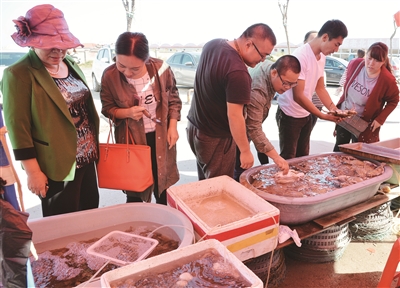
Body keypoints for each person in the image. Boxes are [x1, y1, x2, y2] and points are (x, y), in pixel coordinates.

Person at [0, 4, 100, 217]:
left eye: (62, 45)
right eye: (50, 45)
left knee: (90, 216)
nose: (58, 51)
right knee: (63, 227)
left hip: (87, 157)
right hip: (55, 165)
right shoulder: (18, 73)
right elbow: (18, 128)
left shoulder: (70, 62)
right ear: (33, 43)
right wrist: (33, 172)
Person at [187, 23, 276, 180]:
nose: (262, 61)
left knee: (205, 182)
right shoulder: (238, 73)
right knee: (219, 188)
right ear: (248, 44)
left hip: (194, 128)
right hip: (215, 138)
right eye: (262, 55)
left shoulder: (213, 44)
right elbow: (235, 116)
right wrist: (245, 150)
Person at [100, 32, 181, 205]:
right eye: (121, 65)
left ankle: (163, 227)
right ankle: (138, 229)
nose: (127, 73)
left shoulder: (161, 69)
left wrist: (172, 126)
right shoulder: (109, 76)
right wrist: (127, 113)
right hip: (132, 142)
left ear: (146, 59)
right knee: (135, 193)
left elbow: (174, 98)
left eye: (135, 68)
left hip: (161, 138)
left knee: (163, 189)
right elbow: (107, 109)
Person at [276, 19, 348, 160]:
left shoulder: (322, 57)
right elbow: (298, 96)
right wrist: (323, 116)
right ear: (325, 37)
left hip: (305, 113)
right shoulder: (301, 56)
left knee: (303, 157)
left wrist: (335, 110)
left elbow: (320, 88)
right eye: (336, 44)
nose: (336, 50)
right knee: (289, 158)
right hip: (289, 114)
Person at [233, 55, 301, 181]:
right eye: (285, 83)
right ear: (274, 72)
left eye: (292, 84)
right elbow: (253, 128)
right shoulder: (258, 90)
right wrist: (277, 157)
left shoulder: (271, 69)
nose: (287, 88)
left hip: (246, 126)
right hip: (232, 132)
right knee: (239, 171)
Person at [333, 42, 399, 151]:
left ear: (383, 61)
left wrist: (380, 119)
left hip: (364, 122)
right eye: (369, 58)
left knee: (360, 153)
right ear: (365, 56)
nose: (371, 63)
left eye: (377, 61)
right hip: (345, 115)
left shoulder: (387, 80)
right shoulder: (355, 64)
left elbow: (394, 100)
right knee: (339, 148)